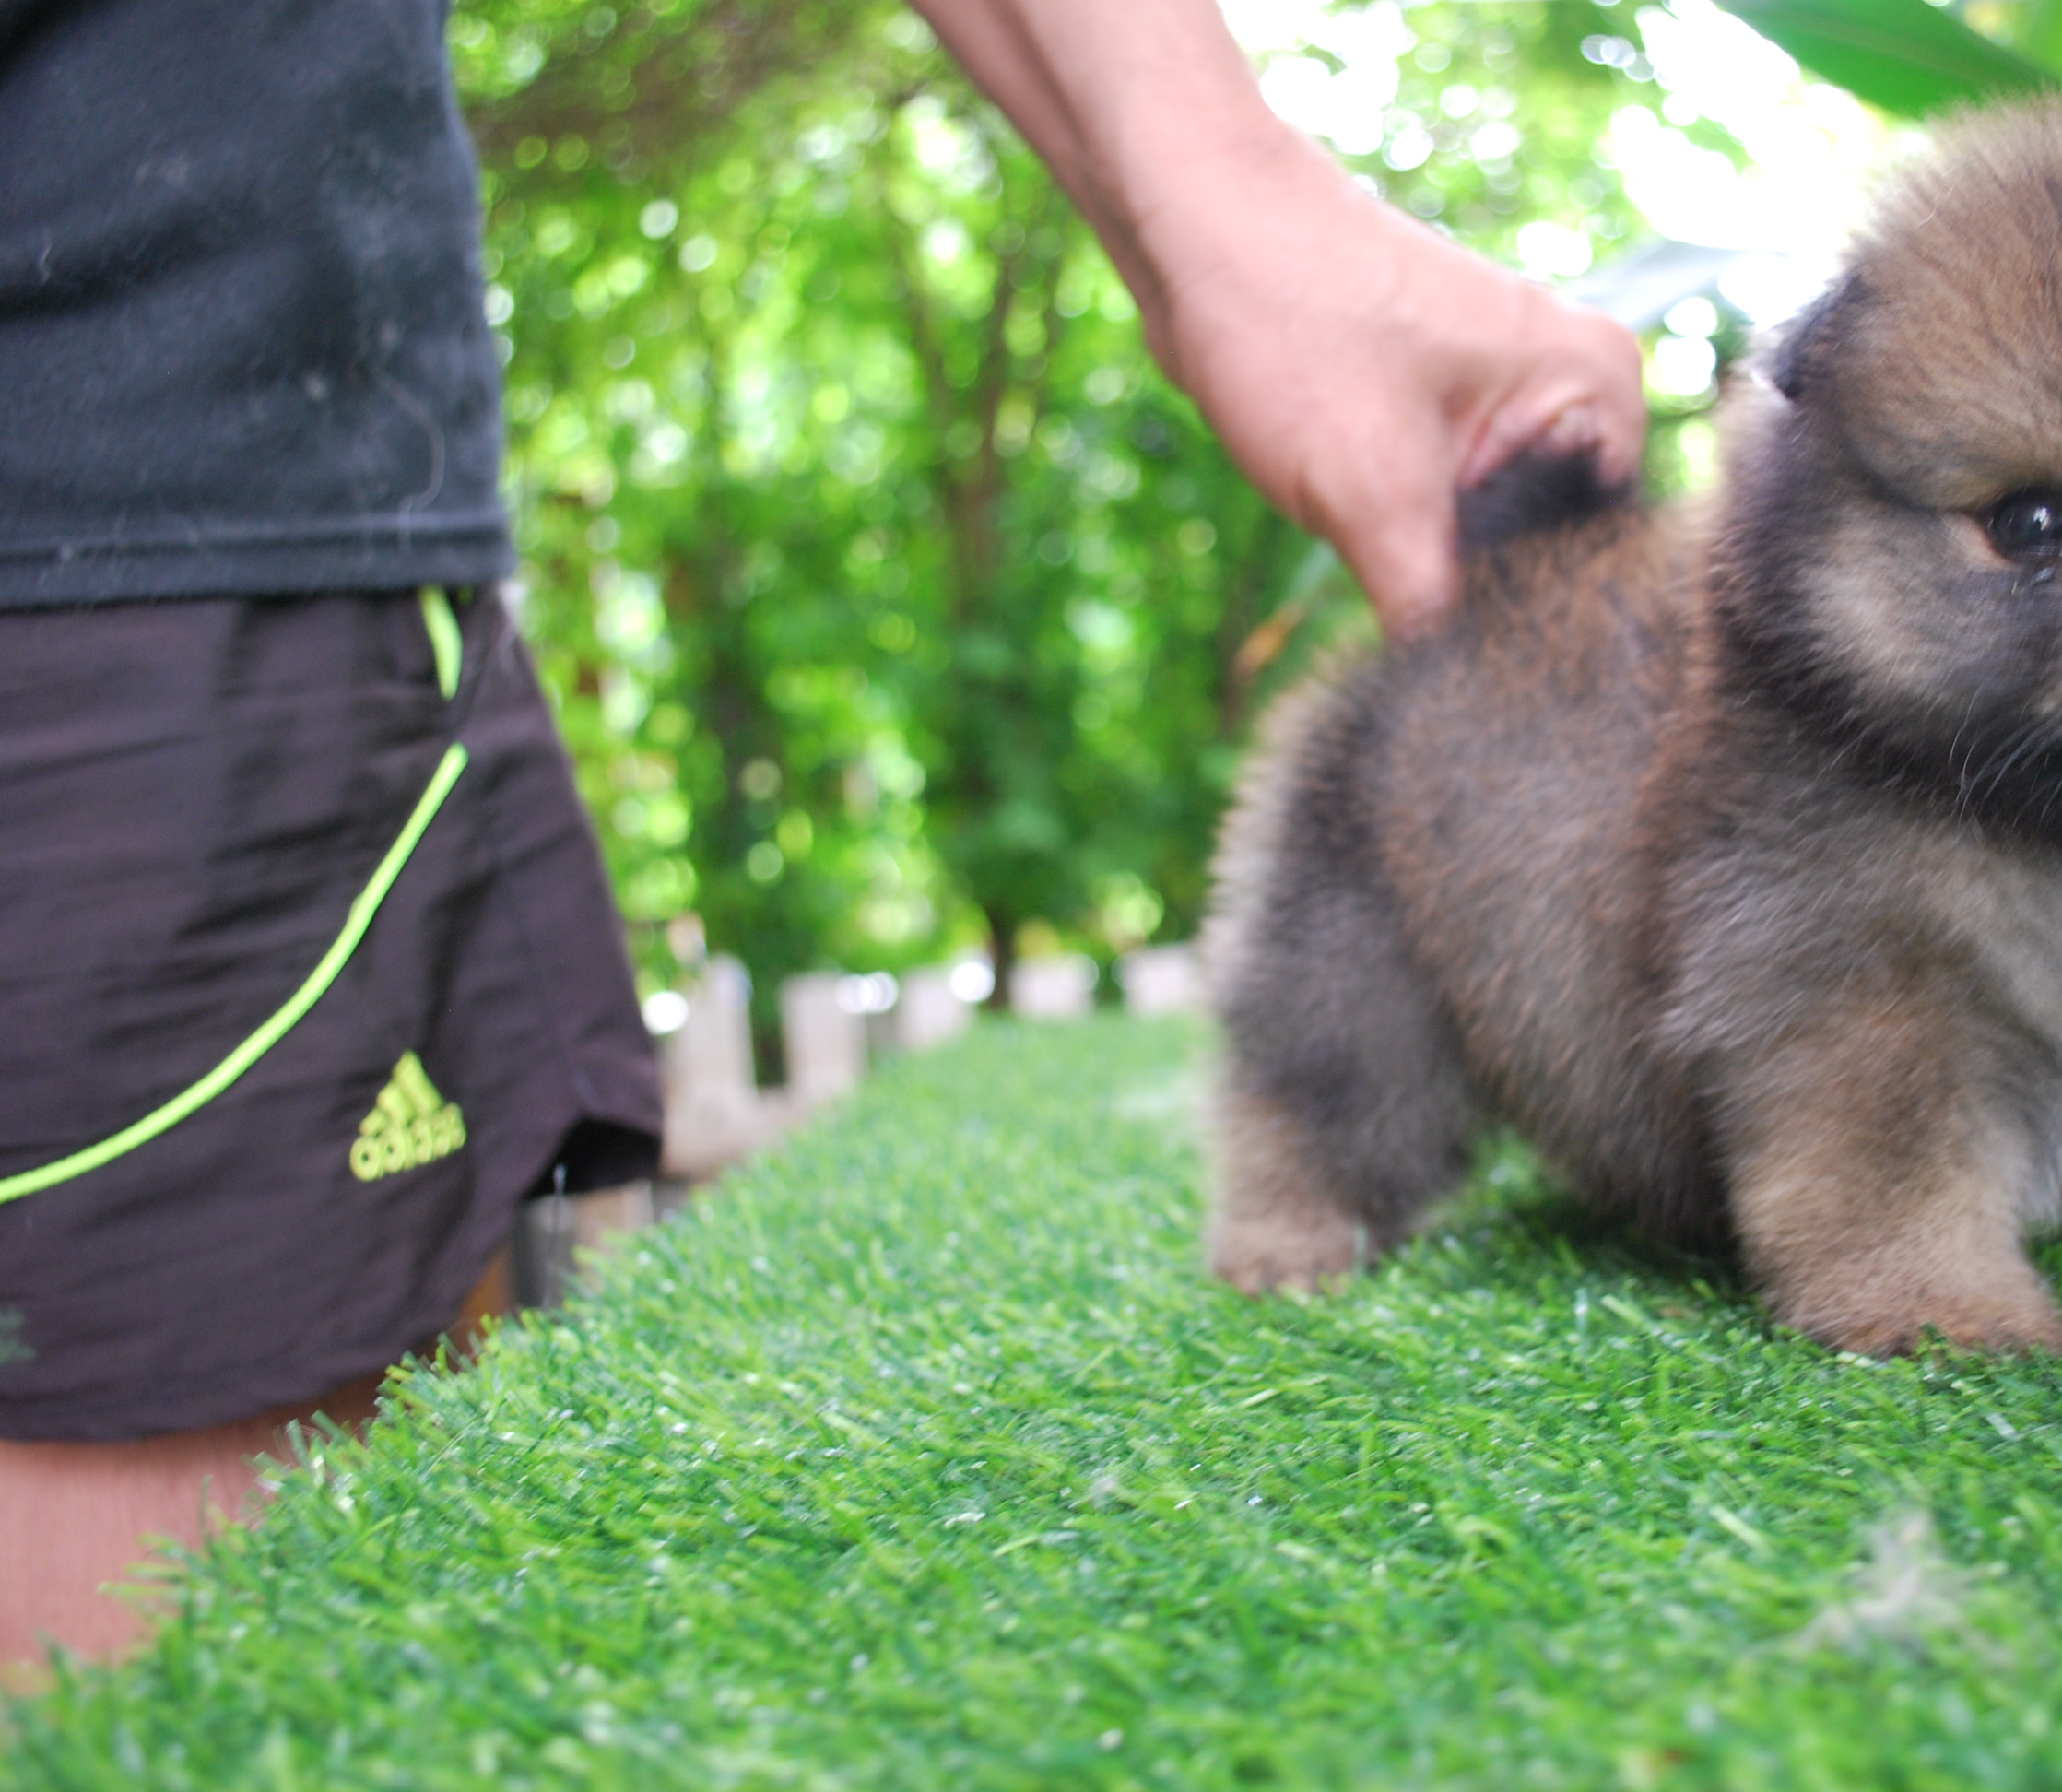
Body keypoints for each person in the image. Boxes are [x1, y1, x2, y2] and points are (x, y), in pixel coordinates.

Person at [0, 0, 1643, 1667]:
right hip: (128, 532)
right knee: (211, 1650)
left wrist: (1223, 211)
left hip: (263, 498)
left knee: (394, 1502)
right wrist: (1231, 200)